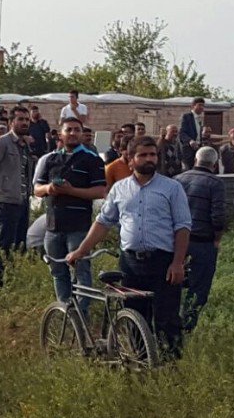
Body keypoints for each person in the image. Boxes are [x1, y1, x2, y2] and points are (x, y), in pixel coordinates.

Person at [66, 136, 191, 356]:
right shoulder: (119, 189)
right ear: (130, 159)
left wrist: (178, 263)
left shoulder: (172, 188)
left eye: (152, 154)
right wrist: (81, 250)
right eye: (143, 155)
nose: (149, 159)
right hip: (131, 263)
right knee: (134, 316)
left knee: (167, 318)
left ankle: (172, 371)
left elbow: (182, 227)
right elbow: (103, 223)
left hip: (163, 263)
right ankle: (140, 364)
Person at [33, 117, 107, 313]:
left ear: (82, 134)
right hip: (53, 226)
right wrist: (49, 188)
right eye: (69, 130)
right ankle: (67, 313)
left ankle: (82, 315)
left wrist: (71, 191)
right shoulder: (50, 160)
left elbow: (100, 191)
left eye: (77, 130)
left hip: (79, 227)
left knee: (82, 271)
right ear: (60, 134)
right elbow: (37, 189)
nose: (73, 133)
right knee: (58, 272)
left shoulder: (92, 160)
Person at [175, 146, 226, 331]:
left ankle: (169, 323)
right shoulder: (215, 183)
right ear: (214, 164)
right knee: (199, 286)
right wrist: (217, 239)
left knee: (172, 281)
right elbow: (218, 215)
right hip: (203, 240)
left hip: (176, 241)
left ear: (195, 160)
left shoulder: (178, 179)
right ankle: (187, 326)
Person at [0, 106, 32, 288]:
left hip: (22, 201)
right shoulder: (2, 143)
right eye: (20, 119)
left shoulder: (25, 145)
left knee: (19, 245)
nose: (25, 122)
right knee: (4, 245)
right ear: (11, 122)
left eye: (27, 119)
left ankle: (9, 281)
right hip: (5, 202)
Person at [179, 97, 206, 170]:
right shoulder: (186, 116)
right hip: (188, 148)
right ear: (193, 105)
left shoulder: (200, 119)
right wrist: (190, 141)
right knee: (189, 169)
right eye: (200, 105)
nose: (202, 107)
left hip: (198, 148)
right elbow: (182, 132)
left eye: (203, 106)